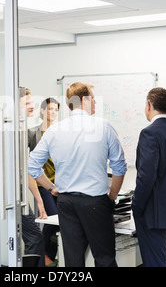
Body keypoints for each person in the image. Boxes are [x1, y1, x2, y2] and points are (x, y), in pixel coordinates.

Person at [28, 82, 127, 267]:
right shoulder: (103, 126)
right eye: (93, 99)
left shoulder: (54, 130)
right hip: (96, 202)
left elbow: (32, 165)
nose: (96, 103)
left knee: (73, 262)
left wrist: (51, 188)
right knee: (104, 258)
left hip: (66, 203)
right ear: (84, 100)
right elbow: (119, 166)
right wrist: (112, 196)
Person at [131, 87, 166, 267]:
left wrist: (136, 205)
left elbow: (146, 177)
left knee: (155, 263)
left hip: (152, 213)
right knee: (161, 260)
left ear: (149, 105)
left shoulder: (149, 132)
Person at [19, 86, 54, 267]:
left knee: (34, 237)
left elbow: (26, 169)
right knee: (34, 237)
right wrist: (43, 197)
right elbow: (28, 169)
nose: (31, 105)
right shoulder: (18, 132)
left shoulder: (20, 129)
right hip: (13, 195)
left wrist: (39, 199)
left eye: (31, 101)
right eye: (27, 102)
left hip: (19, 194)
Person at [28, 97, 60, 267]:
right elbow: (26, 161)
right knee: (51, 218)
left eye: (56, 109)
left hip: (60, 183)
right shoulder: (32, 133)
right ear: (42, 111)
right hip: (42, 183)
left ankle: (49, 254)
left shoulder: (60, 131)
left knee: (59, 220)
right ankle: (45, 254)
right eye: (49, 109)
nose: (53, 112)